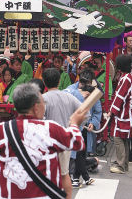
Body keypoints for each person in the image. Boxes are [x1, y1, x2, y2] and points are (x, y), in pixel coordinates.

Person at [0, 83, 88, 199]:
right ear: (36, 107)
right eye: (43, 102)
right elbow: (77, 142)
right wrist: (74, 123)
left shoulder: (3, 129)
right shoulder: (50, 129)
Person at [42, 68, 81, 199]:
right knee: (65, 174)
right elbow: (84, 113)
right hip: (65, 140)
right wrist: (73, 125)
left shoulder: (42, 99)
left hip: (47, 143)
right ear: (59, 81)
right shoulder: (69, 97)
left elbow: (38, 121)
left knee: (47, 174)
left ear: (44, 81)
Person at [109, 55, 132, 174]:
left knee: (118, 137)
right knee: (123, 138)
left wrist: (111, 111)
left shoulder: (125, 79)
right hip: (127, 113)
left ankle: (121, 165)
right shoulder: (128, 77)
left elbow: (120, 96)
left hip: (124, 114)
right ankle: (124, 164)